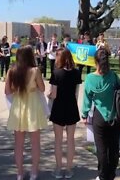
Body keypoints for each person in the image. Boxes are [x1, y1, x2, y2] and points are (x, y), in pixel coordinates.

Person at [5, 46, 47, 180]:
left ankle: (19, 173)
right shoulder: (35, 71)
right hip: (33, 106)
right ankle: (34, 172)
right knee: (35, 143)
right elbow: (42, 88)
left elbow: (7, 91)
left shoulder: (12, 70)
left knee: (19, 144)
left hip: (18, 106)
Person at [81, 49, 120, 180]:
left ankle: (103, 175)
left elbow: (87, 98)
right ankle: (112, 173)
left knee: (101, 148)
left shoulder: (90, 78)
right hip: (115, 115)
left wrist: (85, 114)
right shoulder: (113, 76)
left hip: (100, 116)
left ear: (95, 61)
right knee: (114, 147)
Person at [48, 48, 82, 179]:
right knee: (70, 140)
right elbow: (76, 93)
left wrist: (49, 96)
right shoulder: (76, 73)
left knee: (58, 140)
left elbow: (54, 94)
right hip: (71, 106)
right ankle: (68, 169)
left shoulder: (56, 73)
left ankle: (58, 169)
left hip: (58, 107)